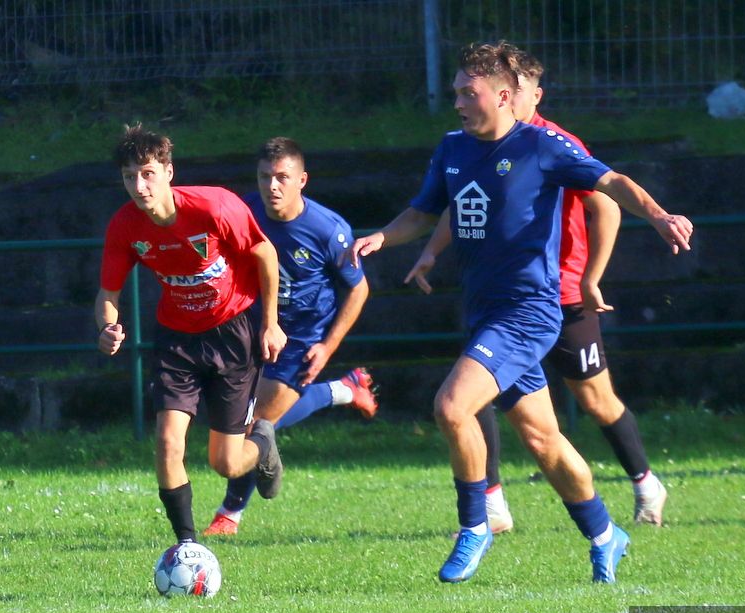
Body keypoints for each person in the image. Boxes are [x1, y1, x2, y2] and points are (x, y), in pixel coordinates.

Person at [351, 41, 693, 584]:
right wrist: (383, 238)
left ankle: (474, 526)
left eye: (469, 92)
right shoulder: (452, 148)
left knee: (451, 407)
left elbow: (610, 184)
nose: (458, 102)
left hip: (528, 312)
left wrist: (658, 215)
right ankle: (606, 534)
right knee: (543, 440)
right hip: (483, 312)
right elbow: (423, 212)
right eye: (456, 92)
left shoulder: (542, 145)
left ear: (504, 96)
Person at [405, 48, 670, 531]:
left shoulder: (550, 144)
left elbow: (607, 202)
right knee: (486, 400)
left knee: (593, 400)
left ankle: (643, 482)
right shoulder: (470, 145)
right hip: (498, 298)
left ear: (522, 95)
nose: (463, 102)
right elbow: (464, 201)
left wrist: (592, 277)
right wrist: (431, 250)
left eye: (522, 90)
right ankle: (498, 507)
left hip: (559, 294)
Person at [95, 124, 287, 547]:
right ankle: (186, 546)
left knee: (226, 463)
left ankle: (262, 441)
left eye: (147, 173)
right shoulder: (125, 226)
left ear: (168, 172)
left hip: (232, 335)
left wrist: (271, 323)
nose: (139, 186)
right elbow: (108, 294)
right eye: (129, 176)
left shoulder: (214, 207)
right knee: (167, 443)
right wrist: (107, 327)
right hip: (177, 341)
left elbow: (265, 253)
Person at [203, 136, 377, 536]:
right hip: (251, 329)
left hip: (302, 338)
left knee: (256, 426)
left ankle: (230, 513)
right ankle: (345, 389)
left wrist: (327, 346)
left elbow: (359, 289)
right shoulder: (243, 212)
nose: (272, 186)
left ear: (302, 180)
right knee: (247, 422)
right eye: (265, 176)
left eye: (282, 177)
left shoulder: (327, 230)